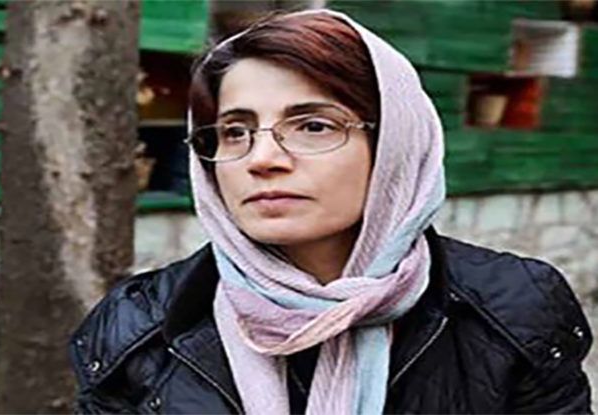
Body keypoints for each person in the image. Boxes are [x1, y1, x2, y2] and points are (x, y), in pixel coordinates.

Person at [69, 8, 593, 414]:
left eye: (314, 126)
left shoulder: (514, 311)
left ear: (395, 146)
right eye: (234, 131)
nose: (262, 159)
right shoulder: (137, 328)